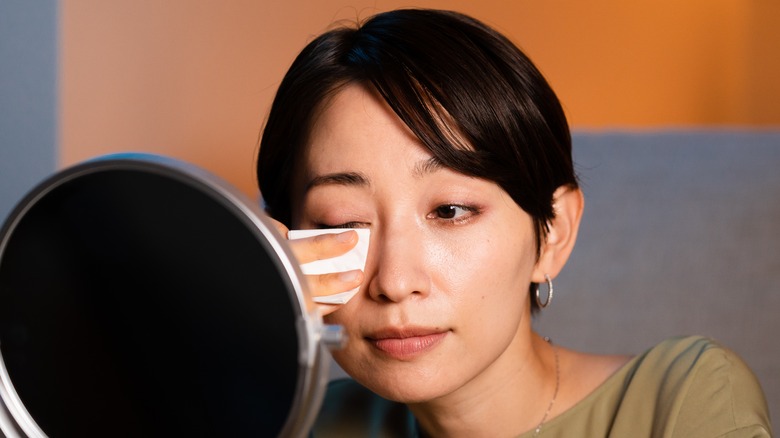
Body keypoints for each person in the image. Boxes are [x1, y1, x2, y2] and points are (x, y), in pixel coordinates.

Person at [256, 8, 771, 437]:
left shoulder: (683, 402)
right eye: (342, 220)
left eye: (451, 211)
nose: (394, 282)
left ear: (553, 233)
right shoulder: (302, 422)